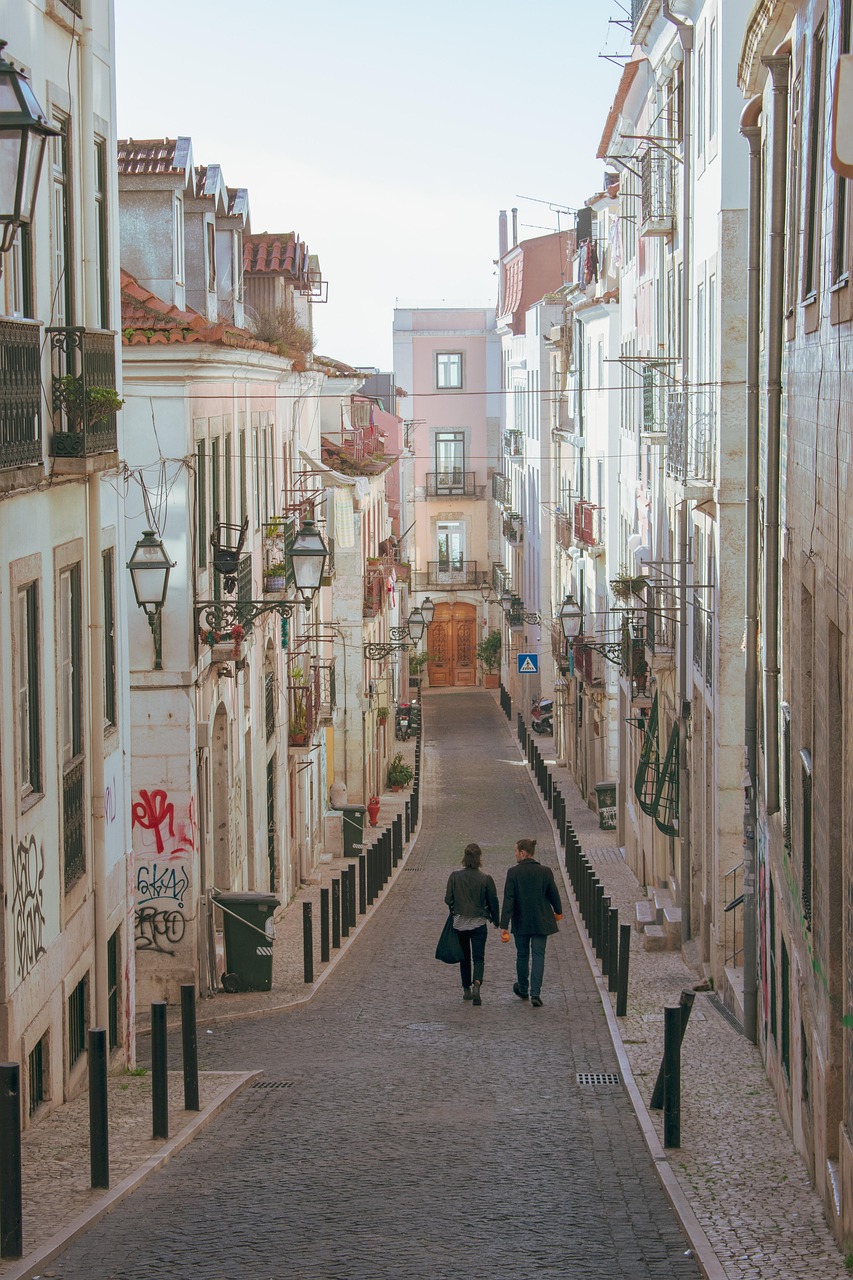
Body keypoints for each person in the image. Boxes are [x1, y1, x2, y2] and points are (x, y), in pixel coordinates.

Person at [500, 838, 563, 1007]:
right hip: (541, 921)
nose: (515, 855)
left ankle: (523, 988)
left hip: (521, 921)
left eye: (516, 851)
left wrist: (504, 925)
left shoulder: (513, 873)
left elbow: (509, 900)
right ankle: (535, 993)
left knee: (522, 955)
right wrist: (558, 911)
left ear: (523, 853)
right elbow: (553, 895)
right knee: (538, 955)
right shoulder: (545, 871)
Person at [445, 843, 499, 1006]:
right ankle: (477, 984)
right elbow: (493, 901)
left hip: (460, 923)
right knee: (478, 957)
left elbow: (448, 899)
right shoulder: (486, 879)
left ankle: (466, 989)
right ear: (479, 858)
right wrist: (496, 920)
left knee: (465, 957)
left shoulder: (454, 876)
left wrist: (455, 909)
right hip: (479, 923)